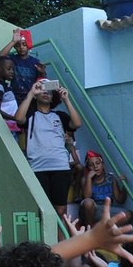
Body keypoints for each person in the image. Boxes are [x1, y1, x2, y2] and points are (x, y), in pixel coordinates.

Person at [14, 79, 82, 220]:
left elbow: (77, 123)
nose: (46, 93)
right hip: (37, 168)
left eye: (49, 92)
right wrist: (32, 93)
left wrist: (66, 99)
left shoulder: (60, 116)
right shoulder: (30, 115)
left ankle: (62, 241)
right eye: (42, 91)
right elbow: (19, 119)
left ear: (53, 98)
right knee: (42, 210)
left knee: (61, 209)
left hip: (60, 167)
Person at [78, 151, 133, 227]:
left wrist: (125, 185)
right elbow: (87, 197)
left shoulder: (110, 178)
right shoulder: (85, 179)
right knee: (88, 203)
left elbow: (120, 199)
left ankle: (100, 228)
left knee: (129, 215)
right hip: (90, 212)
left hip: (106, 210)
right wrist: (89, 178)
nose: (95, 166)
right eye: (91, 165)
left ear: (103, 165)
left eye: (98, 163)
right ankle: (89, 229)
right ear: (88, 168)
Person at [0, 29, 44, 99]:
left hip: (31, 97)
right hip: (15, 96)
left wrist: (41, 72)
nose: (21, 47)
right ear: (15, 47)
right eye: (18, 45)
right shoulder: (12, 59)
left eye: (24, 44)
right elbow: (1, 57)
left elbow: (41, 80)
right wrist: (14, 41)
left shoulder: (35, 62)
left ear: (28, 45)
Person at [0, 57, 20, 139]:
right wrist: (15, 118)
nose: (12, 72)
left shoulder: (6, 85)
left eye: (13, 69)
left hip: (12, 125)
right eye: (9, 69)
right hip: (6, 127)